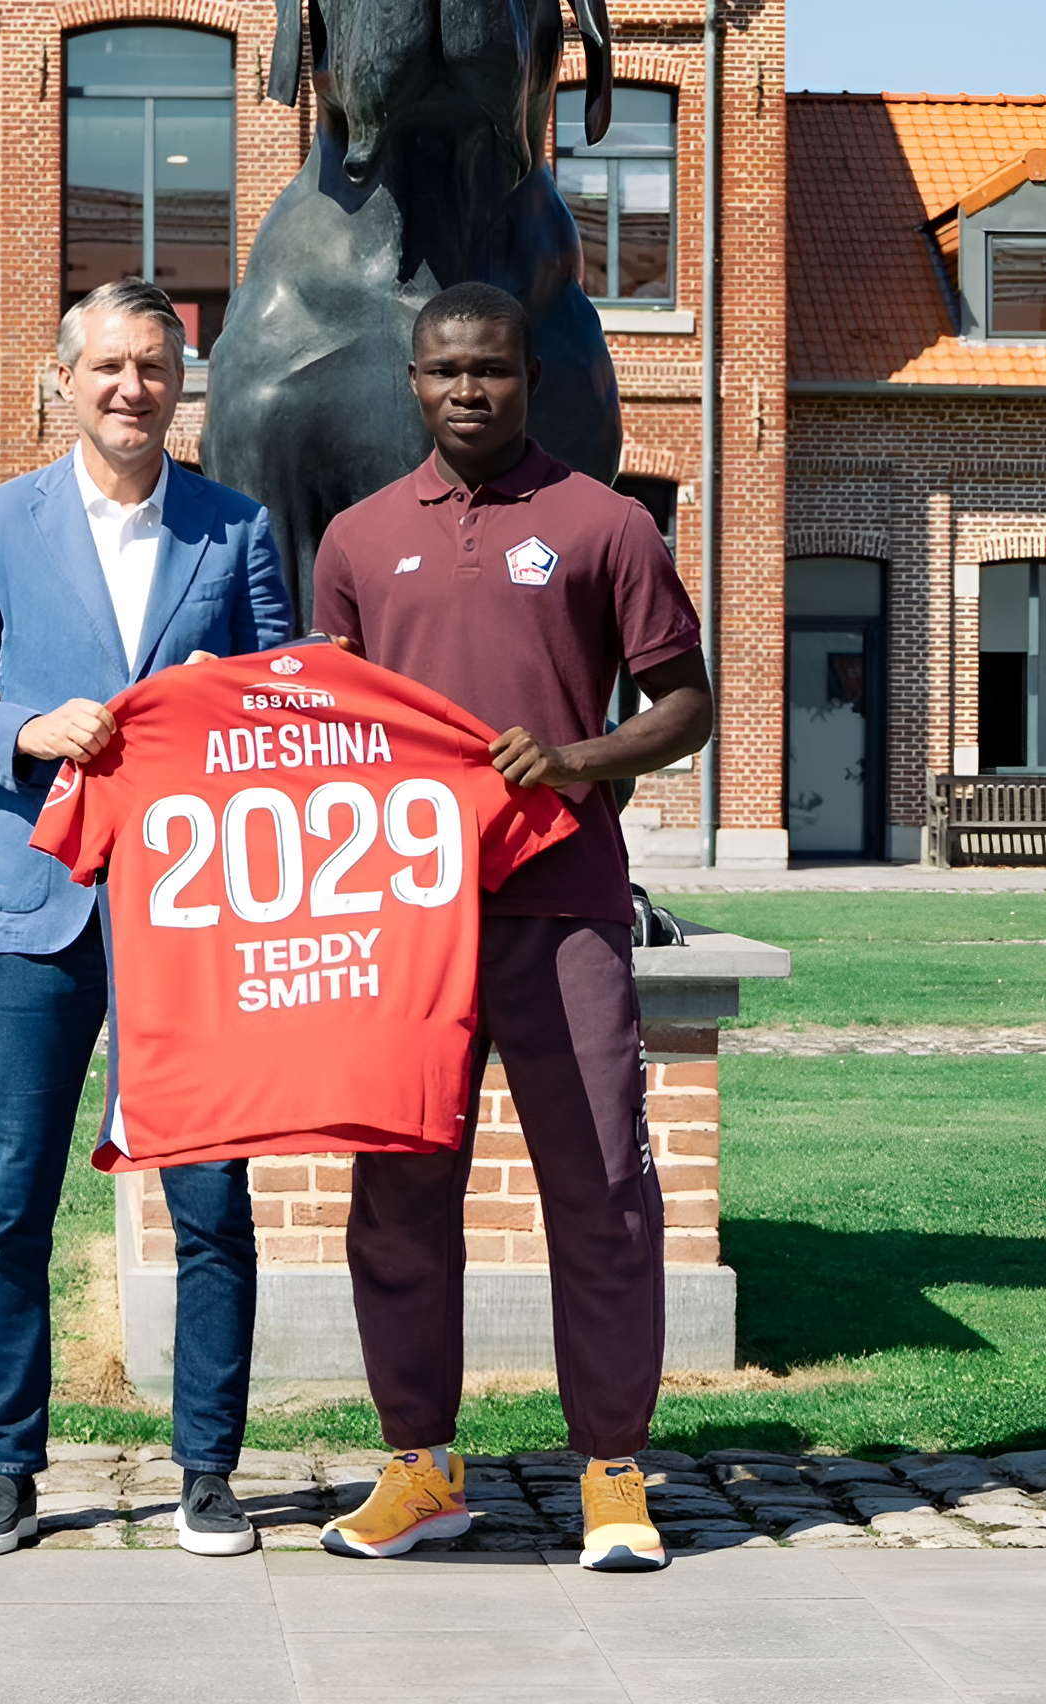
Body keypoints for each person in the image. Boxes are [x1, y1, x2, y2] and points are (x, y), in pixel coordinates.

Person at [311, 282, 713, 1572]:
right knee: (397, 1197)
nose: (466, 391)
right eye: (442, 374)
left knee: (601, 1191)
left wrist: (581, 759)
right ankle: (422, 1466)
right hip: (410, 928)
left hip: (567, 912)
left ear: (529, 377)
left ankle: (611, 1471)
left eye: (489, 370)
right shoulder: (360, 539)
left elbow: (687, 703)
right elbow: (325, 724)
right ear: (412, 383)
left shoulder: (604, 525)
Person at [0, 279, 293, 1558]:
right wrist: (23, 728)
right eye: (111, 366)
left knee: (213, 1204)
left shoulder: (237, 532)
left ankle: (209, 1474)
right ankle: (9, 1471)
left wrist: (223, 709)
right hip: (39, 912)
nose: (134, 387)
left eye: (157, 368)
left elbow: (285, 712)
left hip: (194, 922)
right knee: (11, 1200)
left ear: (186, 388)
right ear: (60, 381)